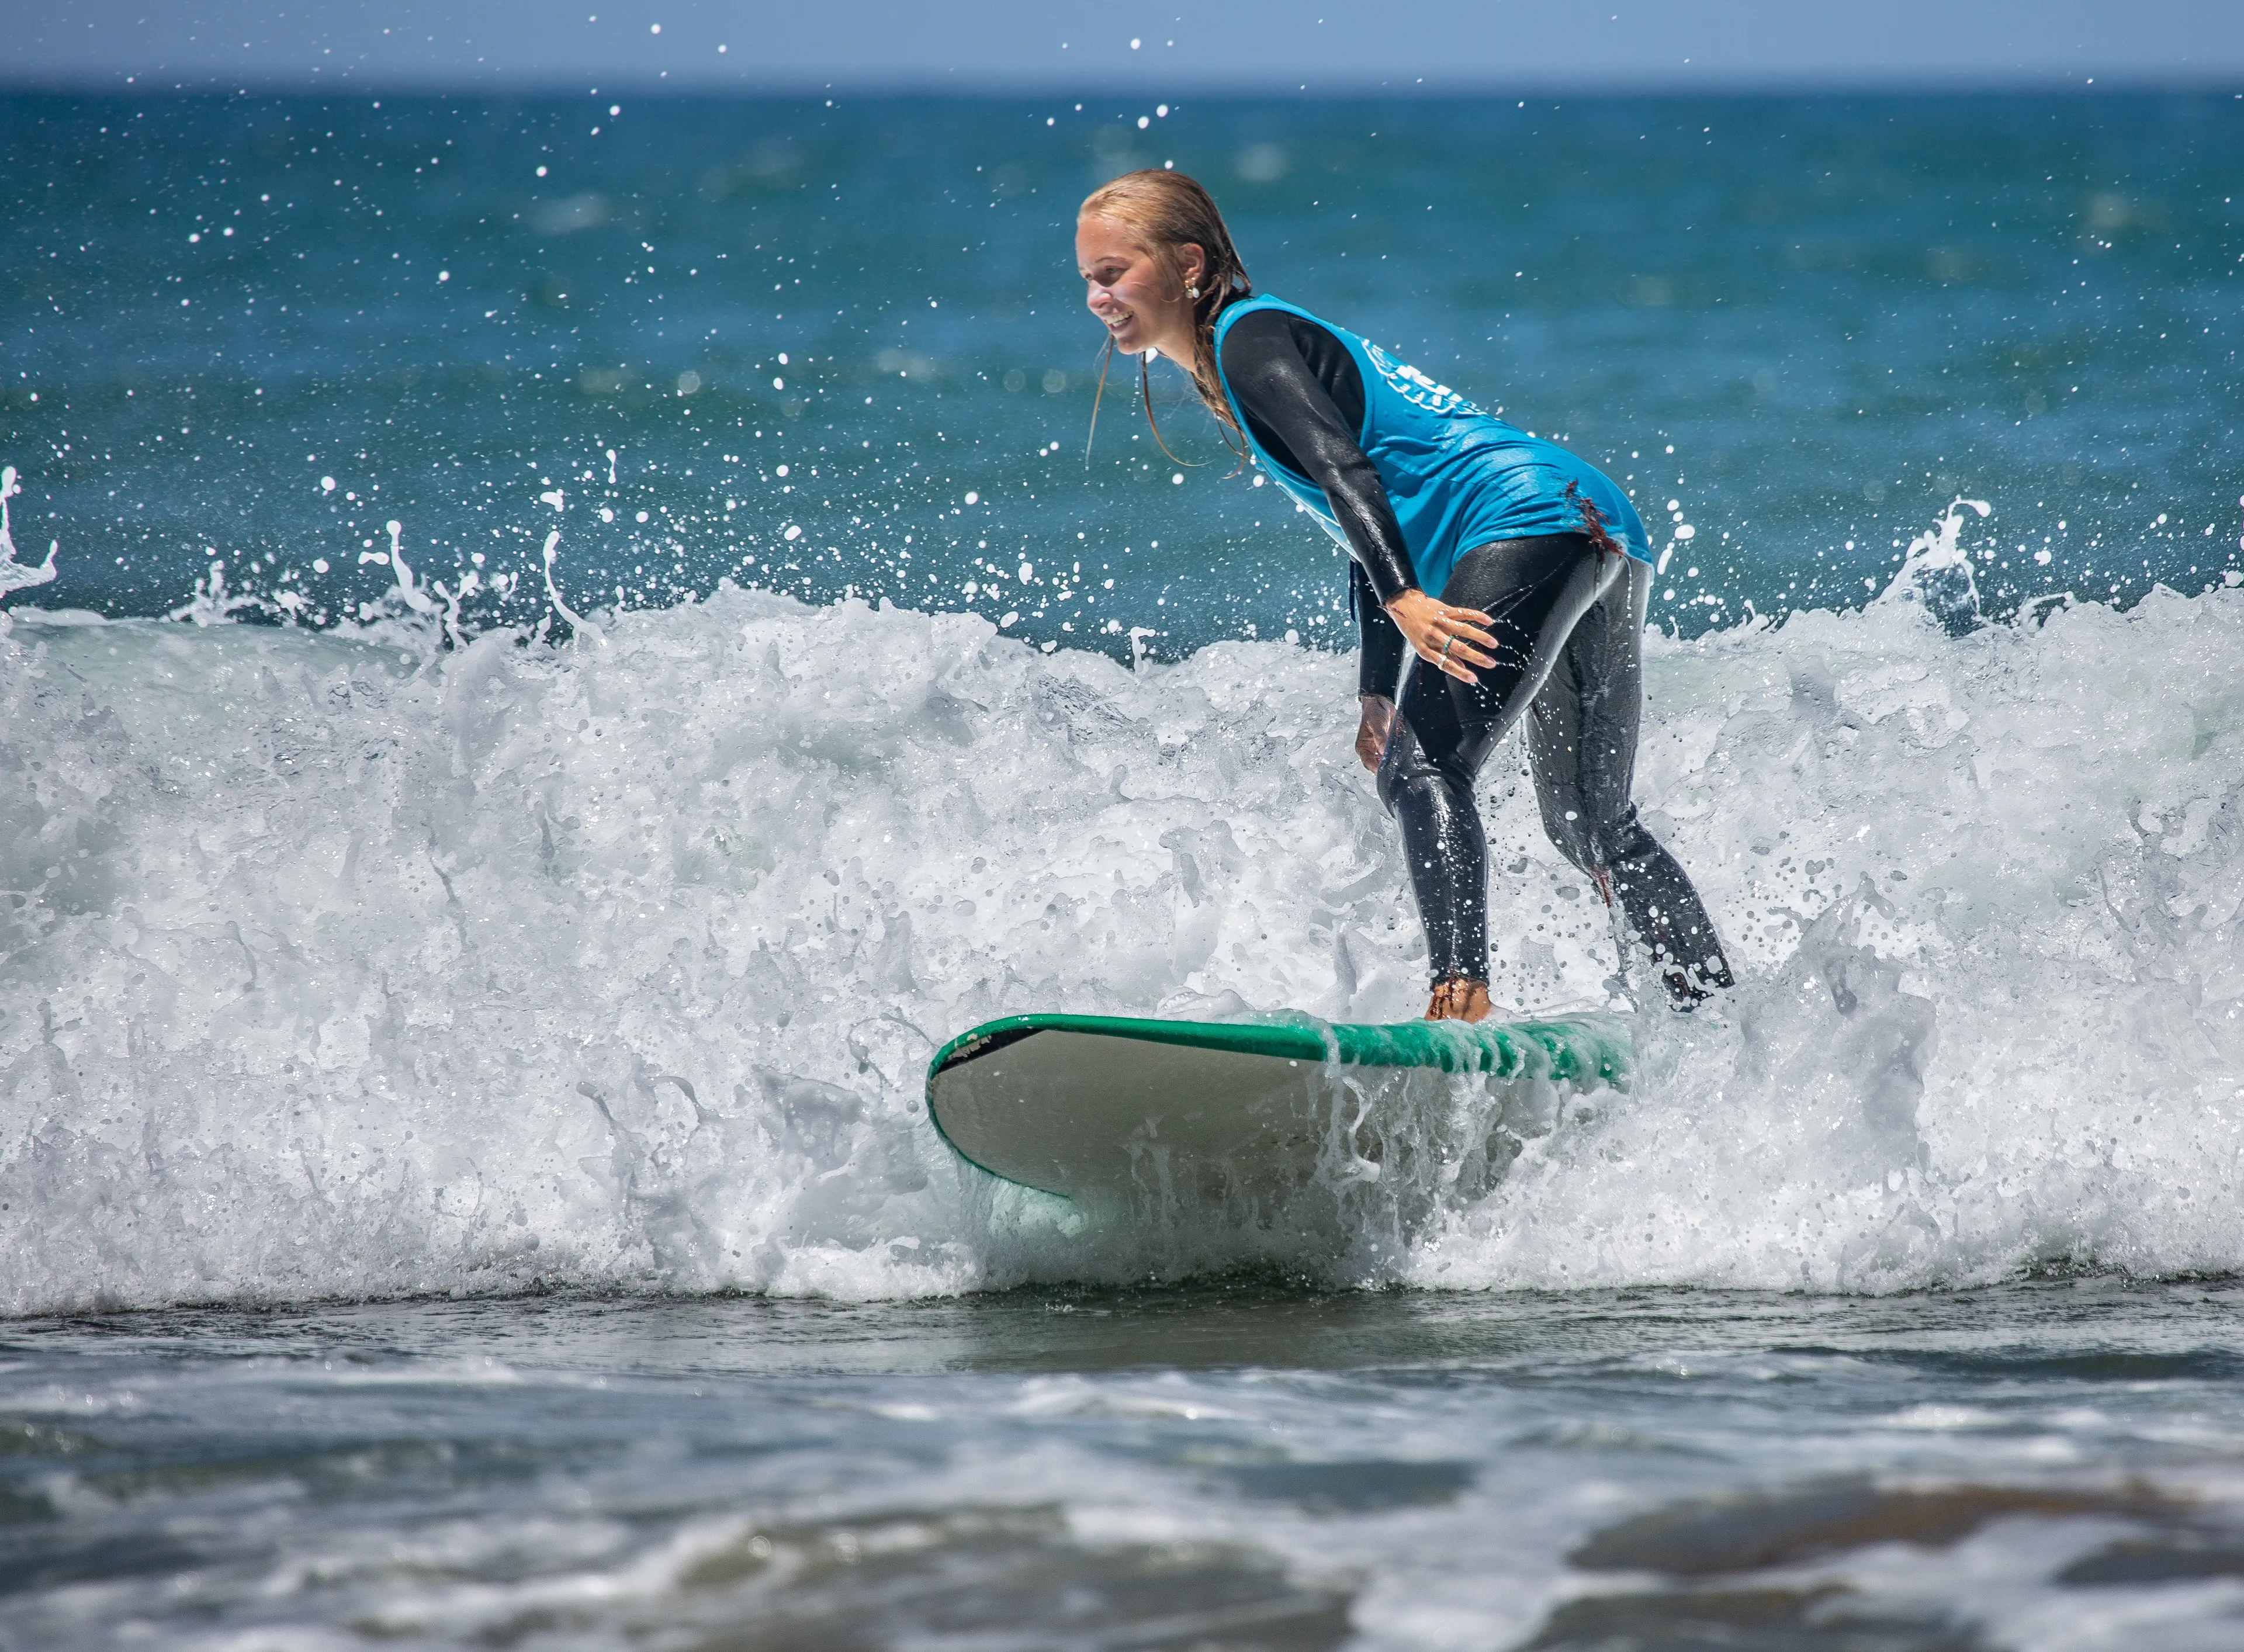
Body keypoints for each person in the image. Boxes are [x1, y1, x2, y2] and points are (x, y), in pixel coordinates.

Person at [1075, 169, 1734, 1019]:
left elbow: (1347, 476)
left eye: (1112, 272)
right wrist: (1378, 688)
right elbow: (1365, 510)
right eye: (1089, 276)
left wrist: (1405, 602)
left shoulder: (1247, 340)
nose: (1096, 295)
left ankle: (1459, 999)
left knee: (1423, 769)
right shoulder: (1252, 342)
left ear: (1189, 264)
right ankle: (1715, 1013)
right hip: (1594, 521)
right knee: (1590, 825)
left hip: (1525, 517)